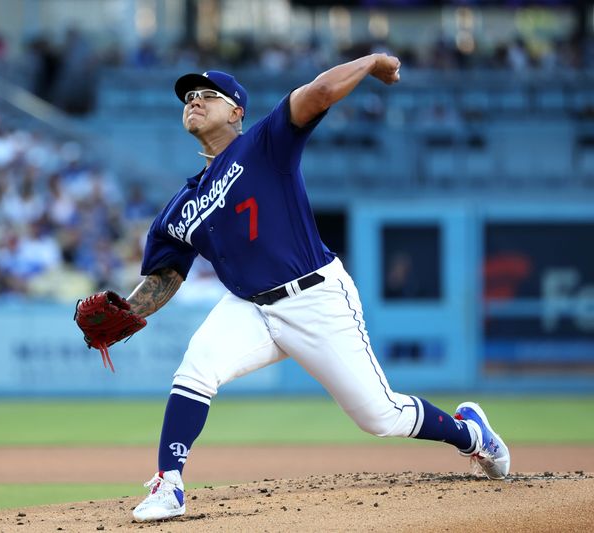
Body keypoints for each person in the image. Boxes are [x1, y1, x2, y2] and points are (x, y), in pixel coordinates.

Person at [114, 55, 510, 522]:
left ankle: (471, 434)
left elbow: (318, 93)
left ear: (237, 111)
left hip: (315, 297)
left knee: (379, 417)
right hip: (249, 306)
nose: (193, 101)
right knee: (196, 368)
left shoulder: (264, 144)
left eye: (206, 95)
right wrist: (125, 311)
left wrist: (372, 61)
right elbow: (165, 277)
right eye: (187, 97)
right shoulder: (179, 208)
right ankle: (169, 484)